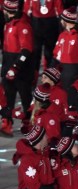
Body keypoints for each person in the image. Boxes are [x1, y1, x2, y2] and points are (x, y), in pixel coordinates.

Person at [1, 0, 33, 137]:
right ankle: (7, 124)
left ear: (9, 11)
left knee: (26, 98)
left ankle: (30, 126)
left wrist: (15, 67)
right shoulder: (8, 24)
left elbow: (26, 50)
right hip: (8, 63)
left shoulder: (22, 26)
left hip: (21, 70)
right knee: (7, 97)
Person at [53, 7, 78, 93]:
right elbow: (56, 56)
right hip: (64, 75)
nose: (60, 22)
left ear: (66, 21)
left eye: (62, 20)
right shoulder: (62, 36)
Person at [23, 0, 63, 73]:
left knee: (50, 52)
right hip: (36, 24)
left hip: (50, 24)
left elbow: (59, 8)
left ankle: (49, 76)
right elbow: (26, 10)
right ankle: (34, 76)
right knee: (35, 52)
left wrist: (62, 27)